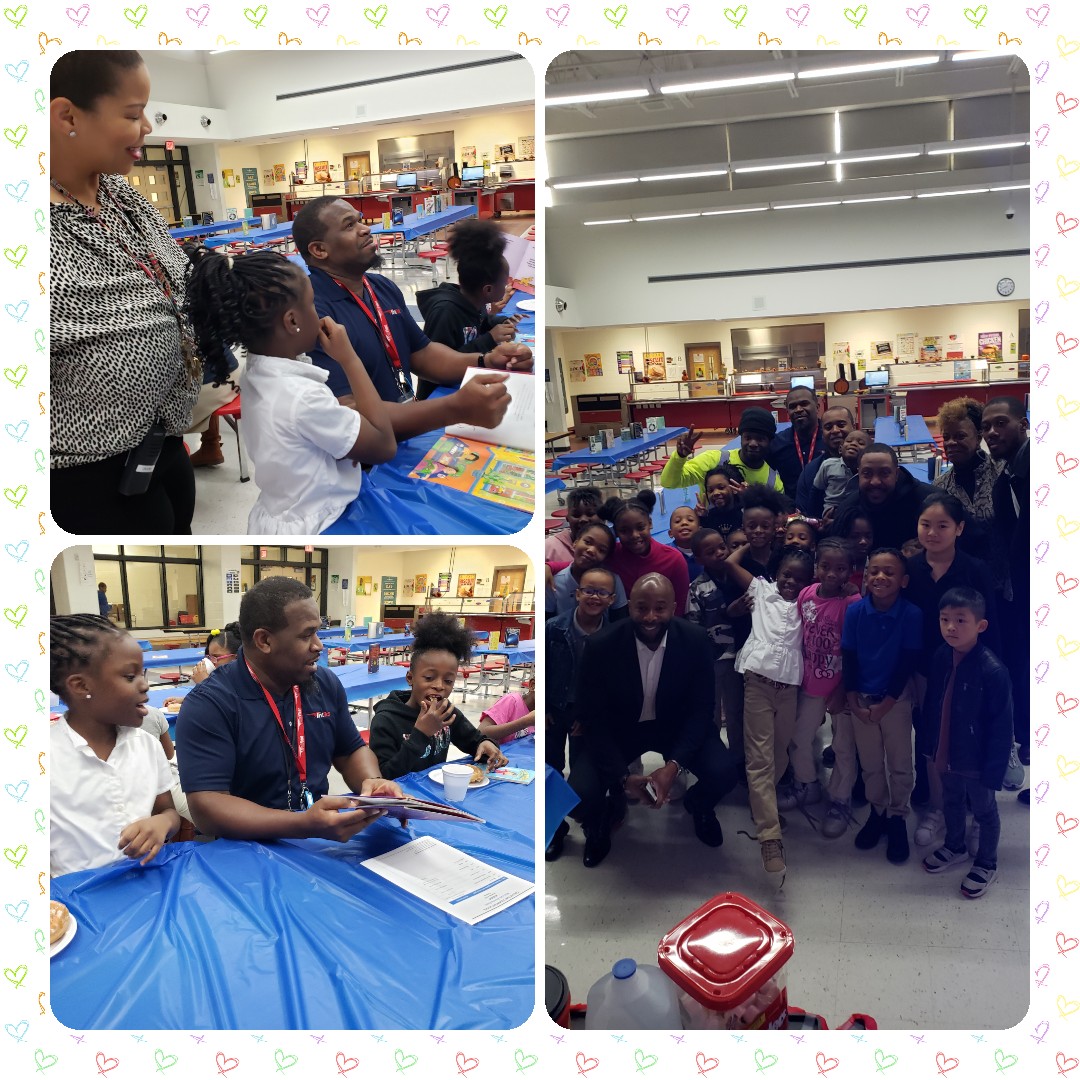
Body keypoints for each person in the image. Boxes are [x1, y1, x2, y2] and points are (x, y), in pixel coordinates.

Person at [50, 50, 200, 534]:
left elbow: (175, 281)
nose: (146, 128)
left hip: (164, 441)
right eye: (133, 115)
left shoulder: (123, 195)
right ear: (67, 115)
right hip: (86, 472)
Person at [184, 247, 397, 533]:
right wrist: (350, 359)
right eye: (311, 304)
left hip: (282, 510)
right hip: (323, 522)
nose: (318, 313)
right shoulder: (300, 396)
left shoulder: (259, 371)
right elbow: (384, 445)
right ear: (293, 321)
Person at [176, 577, 403, 840]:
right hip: (244, 851)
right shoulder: (210, 704)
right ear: (264, 641)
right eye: (307, 635)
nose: (319, 645)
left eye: (318, 632)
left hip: (315, 836)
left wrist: (371, 781)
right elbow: (208, 806)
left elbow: (350, 749)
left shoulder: (324, 684)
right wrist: (302, 824)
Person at [292, 196, 531, 439]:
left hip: (407, 429)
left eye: (360, 221)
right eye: (349, 225)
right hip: (365, 460)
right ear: (319, 250)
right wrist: (454, 408)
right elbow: (347, 413)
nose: (366, 229)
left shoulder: (381, 287)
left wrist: (486, 361)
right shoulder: (313, 313)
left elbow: (423, 354)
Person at [568, 574, 739, 867]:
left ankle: (698, 805)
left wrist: (674, 766)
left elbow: (702, 710)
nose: (650, 617)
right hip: (620, 730)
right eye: (641, 607)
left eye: (660, 608)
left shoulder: (696, 641)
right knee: (579, 794)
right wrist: (623, 778)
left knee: (724, 772)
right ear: (628, 606)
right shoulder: (601, 646)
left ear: (674, 607)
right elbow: (593, 718)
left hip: (675, 726)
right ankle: (601, 819)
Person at [904, 491, 1001, 848]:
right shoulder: (910, 569)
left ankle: (978, 811)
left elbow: (992, 624)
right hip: (926, 669)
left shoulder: (975, 569)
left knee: (969, 739)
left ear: (959, 528)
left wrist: (992, 671)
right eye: (925, 524)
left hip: (968, 670)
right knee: (931, 738)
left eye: (942, 525)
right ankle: (938, 806)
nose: (932, 533)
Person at [50, 615, 181, 875]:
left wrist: (162, 823)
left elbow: (169, 812)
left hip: (147, 883)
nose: (145, 685)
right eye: (130, 676)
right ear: (81, 686)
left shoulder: (147, 745)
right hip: (77, 901)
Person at [723, 543, 816, 875]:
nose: (791, 582)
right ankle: (769, 837)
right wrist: (754, 542)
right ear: (776, 573)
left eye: (800, 578)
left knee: (780, 754)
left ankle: (761, 803)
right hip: (758, 683)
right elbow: (731, 562)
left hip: (789, 687)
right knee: (760, 758)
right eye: (786, 574)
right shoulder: (761, 590)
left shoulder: (809, 603)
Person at [919, 587, 1013, 898]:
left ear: (980, 626)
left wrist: (994, 770)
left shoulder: (993, 670)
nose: (951, 627)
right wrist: (930, 745)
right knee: (951, 800)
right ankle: (955, 846)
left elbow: (1002, 727)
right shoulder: (941, 656)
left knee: (985, 811)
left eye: (961, 620)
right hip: (946, 751)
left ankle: (987, 862)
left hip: (977, 759)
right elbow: (934, 703)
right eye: (945, 619)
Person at [841, 549, 922, 864]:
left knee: (900, 762)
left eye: (889, 572)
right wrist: (853, 702)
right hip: (860, 699)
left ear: (903, 581)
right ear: (865, 576)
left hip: (895, 701)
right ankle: (877, 811)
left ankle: (897, 815)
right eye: (874, 571)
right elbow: (848, 657)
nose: (880, 577)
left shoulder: (911, 614)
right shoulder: (855, 612)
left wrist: (887, 703)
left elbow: (907, 663)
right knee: (871, 763)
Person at [368, 613, 507, 780]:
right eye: (429, 678)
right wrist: (421, 733)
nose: (439, 686)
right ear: (410, 678)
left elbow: (474, 740)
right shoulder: (386, 720)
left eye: (448, 680)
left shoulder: (446, 713)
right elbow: (384, 776)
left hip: (437, 795)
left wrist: (485, 745)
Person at [546, 566, 620, 860]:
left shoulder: (616, 634)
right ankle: (556, 828)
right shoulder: (555, 628)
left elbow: (614, 684)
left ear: (612, 599)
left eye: (602, 592)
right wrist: (544, 709)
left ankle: (593, 825)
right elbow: (545, 670)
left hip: (588, 716)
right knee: (551, 769)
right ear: (576, 593)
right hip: (554, 710)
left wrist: (590, 718)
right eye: (588, 589)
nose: (594, 596)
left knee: (584, 772)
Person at [788, 539, 860, 831]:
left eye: (841, 568)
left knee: (843, 746)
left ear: (850, 571)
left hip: (840, 686)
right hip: (809, 683)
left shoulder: (852, 604)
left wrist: (844, 689)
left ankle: (841, 799)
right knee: (799, 738)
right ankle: (807, 783)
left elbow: (855, 650)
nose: (832, 574)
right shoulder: (805, 594)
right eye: (826, 566)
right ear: (816, 567)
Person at [415, 217, 521, 399]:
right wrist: (489, 339)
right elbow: (440, 365)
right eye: (504, 283)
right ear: (487, 290)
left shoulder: (473, 303)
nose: (507, 287)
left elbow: (480, 322)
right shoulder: (445, 313)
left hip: (464, 385)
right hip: (437, 397)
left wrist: (501, 322)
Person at [983, 396, 1030, 799]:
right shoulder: (1008, 474)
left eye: (1001, 423)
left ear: (1023, 422)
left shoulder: (1034, 467)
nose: (992, 433)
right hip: (1016, 590)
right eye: (987, 427)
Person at [684, 529, 746, 772]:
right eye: (711, 552)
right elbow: (693, 627)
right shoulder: (697, 588)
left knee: (736, 711)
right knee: (710, 713)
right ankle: (711, 760)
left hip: (739, 658)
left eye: (722, 547)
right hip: (711, 661)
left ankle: (738, 758)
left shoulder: (739, 577)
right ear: (699, 559)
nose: (720, 553)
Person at [934, 397, 1005, 586]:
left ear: (979, 436)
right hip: (962, 584)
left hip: (1005, 579)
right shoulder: (940, 486)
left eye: (960, 436)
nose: (951, 442)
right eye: (946, 436)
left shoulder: (1002, 473)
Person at [659, 409, 784, 503]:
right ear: (741, 438)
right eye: (748, 437)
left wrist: (752, 498)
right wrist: (680, 457)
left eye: (760, 439)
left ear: (770, 442)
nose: (752, 444)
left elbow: (777, 516)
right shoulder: (713, 461)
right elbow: (669, 483)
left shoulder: (773, 482)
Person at [602, 490, 691, 615]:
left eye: (640, 527)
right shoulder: (609, 557)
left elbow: (680, 606)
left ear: (650, 523)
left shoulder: (673, 559)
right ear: (616, 531)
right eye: (624, 530)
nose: (634, 535)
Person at [831, 442, 934, 551]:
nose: (875, 482)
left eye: (884, 473)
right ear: (858, 474)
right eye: (867, 474)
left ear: (896, 474)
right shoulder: (847, 510)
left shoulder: (927, 502)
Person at [546, 523, 628, 619]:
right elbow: (546, 623)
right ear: (575, 542)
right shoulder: (554, 583)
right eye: (588, 542)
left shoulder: (614, 581)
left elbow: (621, 619)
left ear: (606, 558)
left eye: (601, 550)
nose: (591, 550)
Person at [795, 407, 856, 517]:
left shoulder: (870, 465)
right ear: (822, 434)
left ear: (854, 427)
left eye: (841, 425)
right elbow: (806, 516)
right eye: (828, 427)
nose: (835, 430)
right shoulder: (810, 472)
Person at [766, 386, 826, 495]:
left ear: (817, 407)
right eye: (793, 406)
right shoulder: (777, 442)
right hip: (791, 508)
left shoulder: (830, 438)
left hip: (826, 507)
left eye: (804, 404)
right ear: (787, 412)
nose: (798, 409)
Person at [544, 486, 604, 567]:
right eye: (576, 515)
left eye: (590, 514)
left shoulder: (610, 547)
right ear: (567, 518)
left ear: (603, 517)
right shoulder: (548, 548)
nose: (583, 519)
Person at [814, 429, 871, 512]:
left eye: (860, 443)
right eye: (849, 441)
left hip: (856, 513)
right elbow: (816, 492)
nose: (853, 444)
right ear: (840, 449)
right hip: (831, 512)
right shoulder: (828, 465)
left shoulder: (868, 472)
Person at [740, 484, 786, 580]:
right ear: (743, 529)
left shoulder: (784, 556)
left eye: (765, 526)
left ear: (774, 528)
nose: (758, 531)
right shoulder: (740, 563)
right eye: (752, 526)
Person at [700, 464, 745, 538]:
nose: (715, 493)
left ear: (734, 488)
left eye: (721, 487)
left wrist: (749, 499)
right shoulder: (710, 516)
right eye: (711, 490)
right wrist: (701, 518)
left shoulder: (744, 512)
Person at [668, 505, 703, 581]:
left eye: (690, 520)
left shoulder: (706, 552)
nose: (684, 523)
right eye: (677, 521)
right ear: (670, 533)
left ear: (700, 530)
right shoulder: (666, 555)